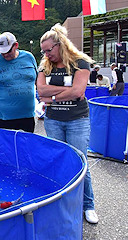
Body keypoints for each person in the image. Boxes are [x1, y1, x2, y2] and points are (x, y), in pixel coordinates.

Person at [36, 23, 98, 224]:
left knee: (80, 162)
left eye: (49, 50)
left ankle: (88, 205)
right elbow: (40, 91)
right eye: (43, 51)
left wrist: (52, 97)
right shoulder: (45, 64)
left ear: (60, 44)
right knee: (58, 161)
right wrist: (65, 91)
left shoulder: (81, 62)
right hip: (53, 121)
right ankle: (62, 201)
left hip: (77, 120)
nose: (46, 54)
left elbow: (78, 92)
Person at [0, 32, 37, 133]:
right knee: (6, 147)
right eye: (2, 52)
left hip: (27, 116)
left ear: (16, 45)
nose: (5, 54)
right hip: (4, 117)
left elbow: (36, 79)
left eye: (8, 51)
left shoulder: (29, 57)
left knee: (26, 146)